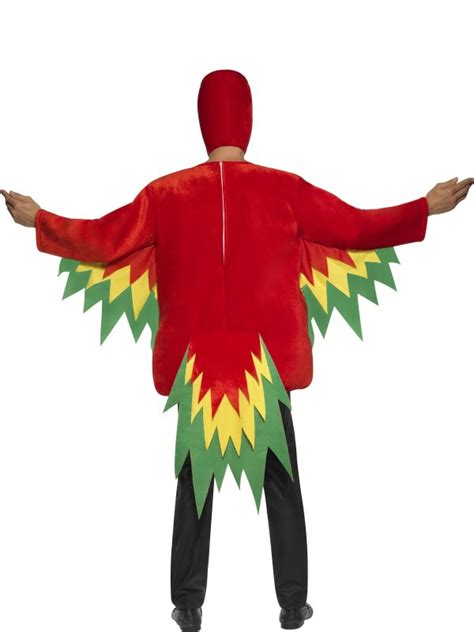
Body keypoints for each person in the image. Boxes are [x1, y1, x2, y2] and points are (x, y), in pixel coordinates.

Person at [1, 69, 472, 632]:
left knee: (193, 486)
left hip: (198, 366)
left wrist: (41, 220)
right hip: (262, 366)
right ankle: (293, 603)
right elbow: (355, 227)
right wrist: (423, 207)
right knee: (283, 482)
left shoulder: (164, 194)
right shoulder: (285, 189)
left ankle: (187, 604)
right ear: (246, 119)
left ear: (204, 120)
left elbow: (103, 238)